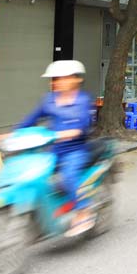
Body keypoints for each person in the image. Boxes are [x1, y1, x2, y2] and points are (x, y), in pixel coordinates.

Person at [14, 60, 96, 237]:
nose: (55, 82)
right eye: (53, 79)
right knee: (35, 175)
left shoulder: (83, 101)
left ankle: (83, 212)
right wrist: (14, 134)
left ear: (75, 79)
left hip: (76, 150)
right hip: (54, 150)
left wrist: (71, 132)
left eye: (60, 78)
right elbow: (31, 119)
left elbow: (84, 124)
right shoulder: (49, 100)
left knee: (68, 176)